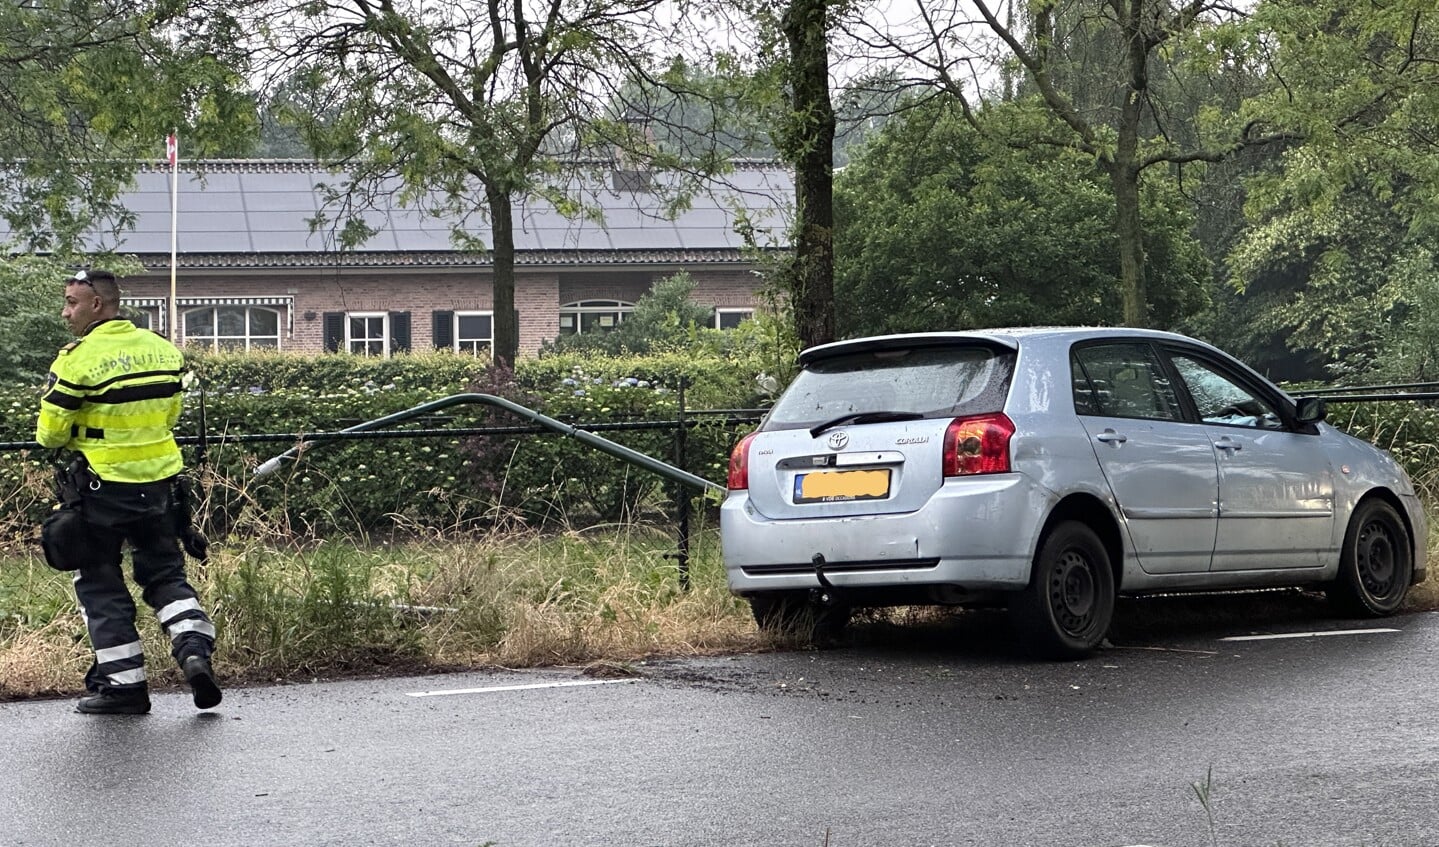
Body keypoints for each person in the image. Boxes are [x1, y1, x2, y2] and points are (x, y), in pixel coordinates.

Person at [35, 268, 221, 715]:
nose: (65, 312)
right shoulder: (163, 350)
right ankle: (193, 647)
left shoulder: (77, 360)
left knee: (99, 582)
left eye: (71, 303)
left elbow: (50, 434)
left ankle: (124, 688)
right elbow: (169, 413)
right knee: (165, 575)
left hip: (101, 489)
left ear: (96, 304)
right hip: (160, 486)